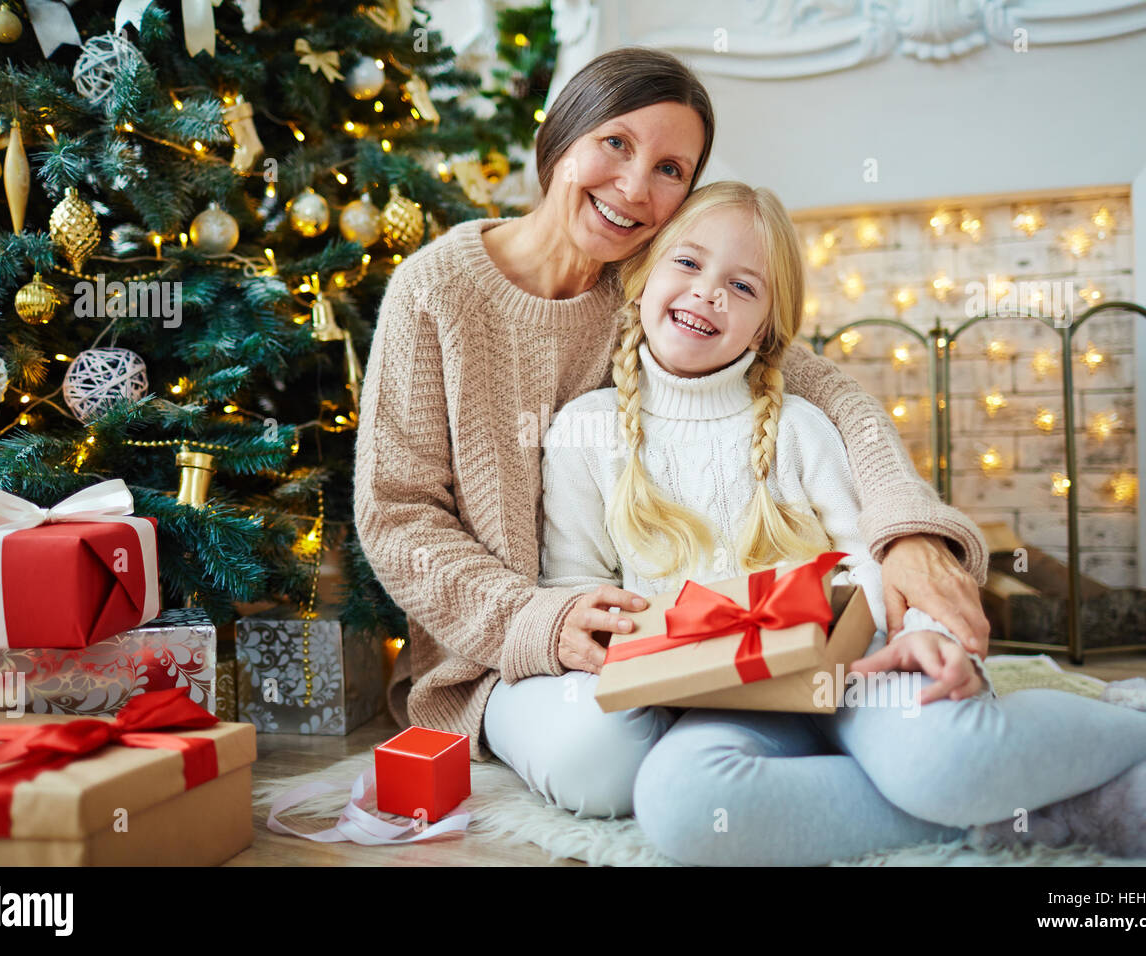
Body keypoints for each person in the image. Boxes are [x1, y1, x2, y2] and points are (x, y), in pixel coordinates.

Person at [355, 46, 989, 817]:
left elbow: (826, 392)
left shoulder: (653, 278)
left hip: (666, 644)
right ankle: (902, 794)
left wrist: (906, 533)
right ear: (562, 136)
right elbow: (396, 513)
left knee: (729, 730)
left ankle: (914, 779)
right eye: (616, 143)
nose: (634, 186)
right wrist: (533, 621)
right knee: (605, 768)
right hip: (501, 654)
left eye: (670, 169)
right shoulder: (435, 291)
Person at [536, 179, 1146, 864]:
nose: (710, 291)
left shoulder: (800, 427)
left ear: (768, 327)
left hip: (860, 667)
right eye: (687, 263)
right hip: (715, 704)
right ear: (641, 274)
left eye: (744, 287)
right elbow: (577, 585)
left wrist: (918, 634)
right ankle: (1043, 808)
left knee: (945, 758)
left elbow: (876, 558)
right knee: (682, 805)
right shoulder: (585, 432)